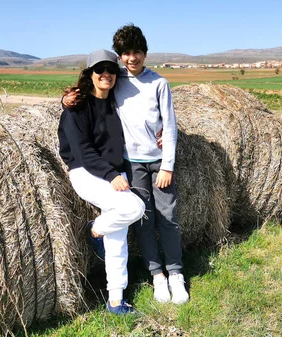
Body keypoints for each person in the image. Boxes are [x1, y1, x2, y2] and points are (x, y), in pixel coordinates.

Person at [57, 49, 145, 315]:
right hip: (87, 173)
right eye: (99, 69)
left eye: (110, 69)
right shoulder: (77, 108)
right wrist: (111, 176)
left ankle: (116, 300)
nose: (105, 74)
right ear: (90, 74)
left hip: (116, 173)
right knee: (133, 209)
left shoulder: (117, 102)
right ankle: (94, 230)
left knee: (118, 238)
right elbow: (83, 152)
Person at [111, 24, 189, 304]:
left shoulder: (159, 83)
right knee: (143, 220)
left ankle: (176, 273)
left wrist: (168, 165)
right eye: (126, 53)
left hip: (158, 164)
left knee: (168, 218)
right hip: (132, 165)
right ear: (120, 56)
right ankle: (157, 275)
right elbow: (88, 91)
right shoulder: (115, 81)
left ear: (145, 53)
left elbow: (169, 126)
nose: (132, 58)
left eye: (137, 52)